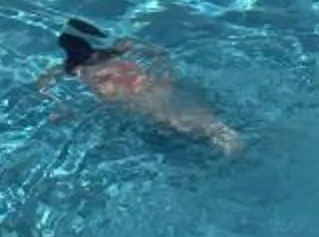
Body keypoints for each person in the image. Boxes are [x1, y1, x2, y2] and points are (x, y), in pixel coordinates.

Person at [36, 19, 243, 154]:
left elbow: (43, 85)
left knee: (161, 111)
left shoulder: (75, 69)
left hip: (125, 92)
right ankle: (216, 131)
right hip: (145, 81)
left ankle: (216, 133)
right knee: (167, 105)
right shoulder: (119, 51)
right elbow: (160, 53)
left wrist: (61, 107)